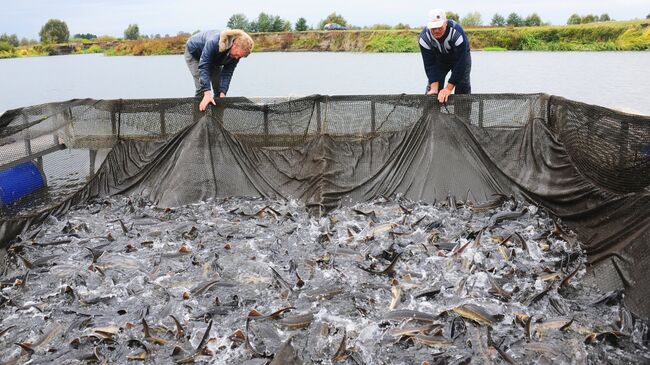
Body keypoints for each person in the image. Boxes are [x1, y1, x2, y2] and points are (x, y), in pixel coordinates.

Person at [185, 29, 254, 111]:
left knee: (219, 90)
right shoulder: (214, 42)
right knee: (202, 89)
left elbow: (227, 73)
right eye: (238, 55)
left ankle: (217, 121)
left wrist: (223, 94)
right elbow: (204, 66)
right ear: (234, 45)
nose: (237, 58)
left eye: (239, 57)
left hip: (215, 58)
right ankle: (198, 120)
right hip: (194, 53)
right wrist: (207, 92)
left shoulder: (236, 55)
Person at [418, 9, 471, 104]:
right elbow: (429, 64)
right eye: (433, 28)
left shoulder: (457, 33)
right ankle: (431, 118)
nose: (436, 30)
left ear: (445, 23)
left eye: (439, 27)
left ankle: (463, 118)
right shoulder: (424, 38)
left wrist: (448, 89)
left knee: (462, 84)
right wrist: (434, 88)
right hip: (440, 60)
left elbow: (461, 63)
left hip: (459, 59)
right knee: (433, 90)